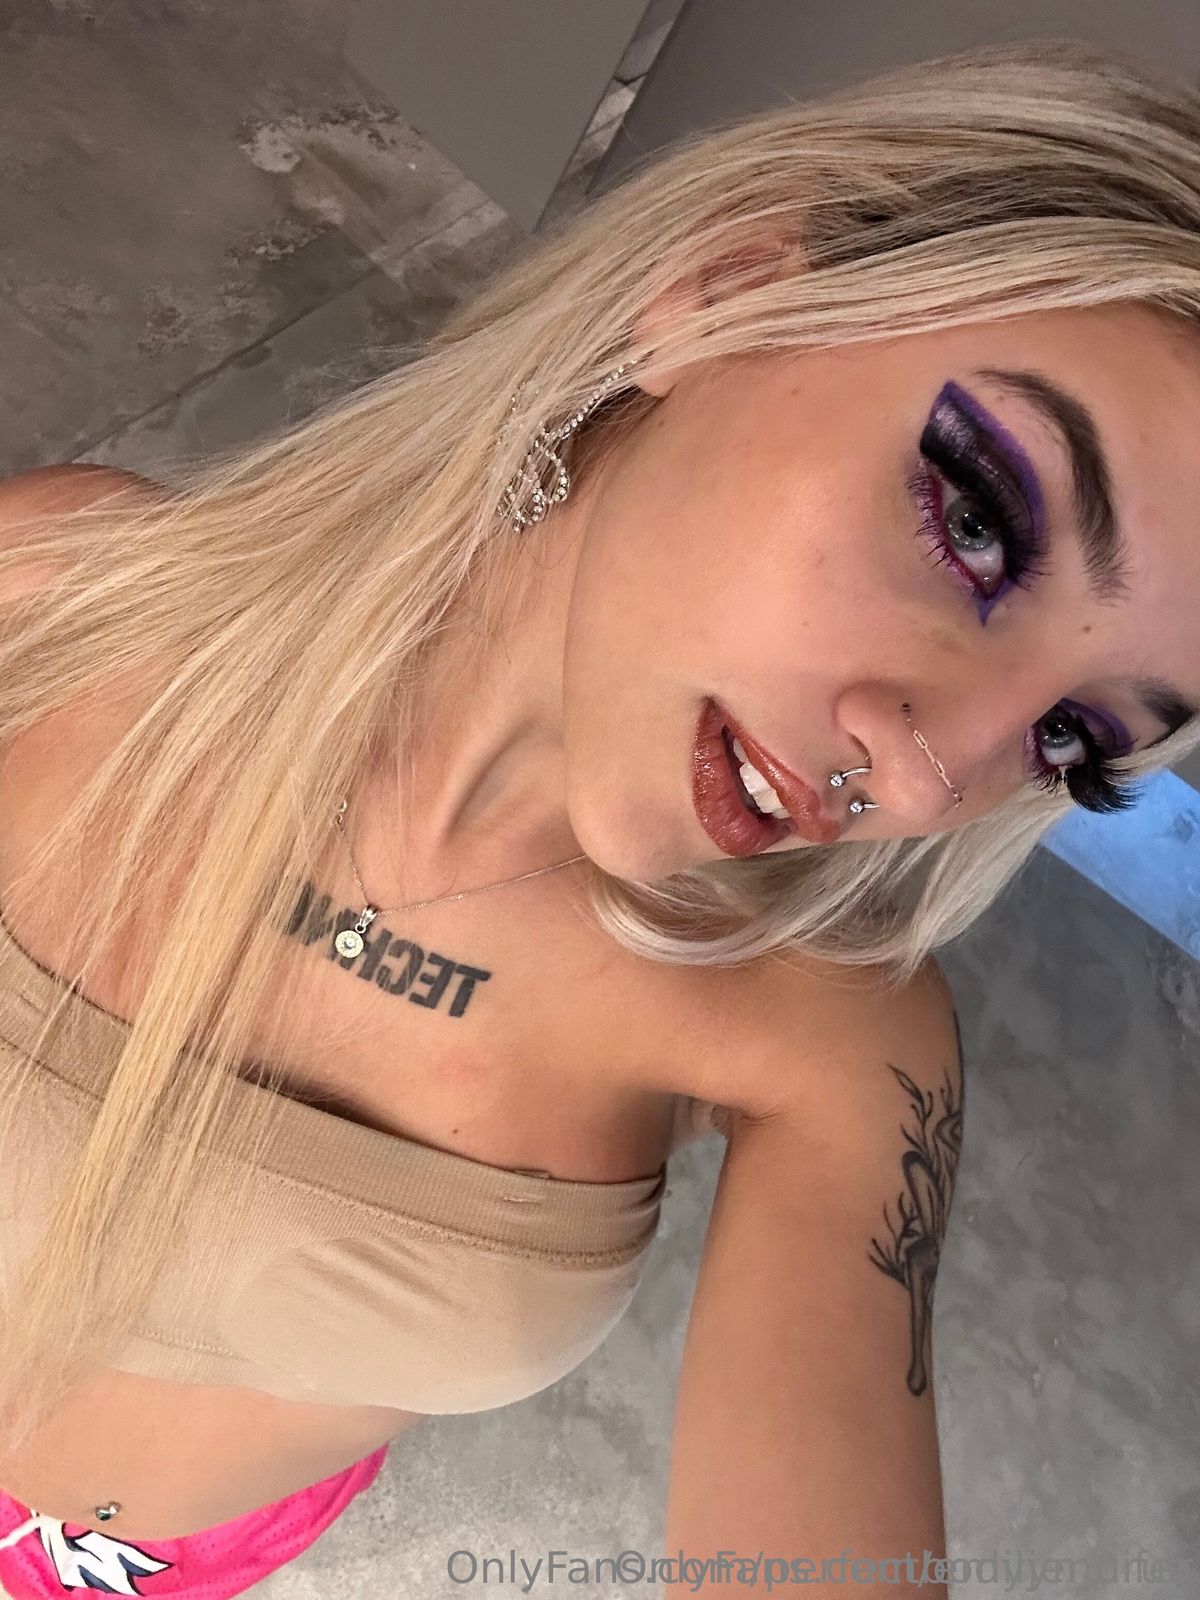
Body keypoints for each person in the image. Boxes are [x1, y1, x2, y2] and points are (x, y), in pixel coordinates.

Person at [0, 32, 1199, 1600]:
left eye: (1072, 740)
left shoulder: (827, 1050)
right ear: (726, 290)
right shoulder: (62, 599)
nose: (923, 781)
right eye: (974, 522)